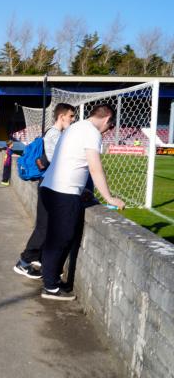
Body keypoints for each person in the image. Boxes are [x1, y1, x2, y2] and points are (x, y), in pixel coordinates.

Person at [40, 104, 124, 301]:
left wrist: (83, 190)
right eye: (111, 125)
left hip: (50, 188)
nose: (108, 129)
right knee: (61, 238)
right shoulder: (91, 133)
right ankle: (50, 286)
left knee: (57, 237)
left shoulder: (76, 127)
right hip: (63, 192)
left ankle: (50, 279)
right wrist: (109, 197)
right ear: (107, 118)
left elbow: (71, 161)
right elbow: (95, 168)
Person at [13, 103, 76, 279]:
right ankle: (24, 262)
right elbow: (55, 161)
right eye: (71, 116)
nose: (73, 119)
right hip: (49, 185)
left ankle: (39, 260)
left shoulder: (56, 134)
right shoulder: (54, 135)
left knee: (47, 226)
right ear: (62, 116)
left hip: (50, 185)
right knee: (44, 226)